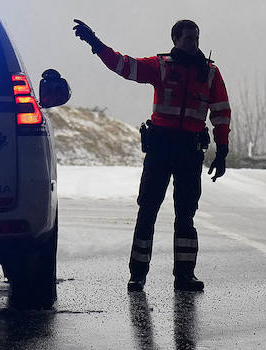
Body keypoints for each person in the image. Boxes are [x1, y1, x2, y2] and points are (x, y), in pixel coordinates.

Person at [72, 17, 230, 292]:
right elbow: (123, 65)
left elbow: (221, 112)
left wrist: (223, 149)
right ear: (175, 40)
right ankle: (138, 275)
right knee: (148, 210)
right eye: (188, 39)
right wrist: (95, 43)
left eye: (196, 38)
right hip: (161, 147)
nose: (193, 44)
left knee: (186, 214)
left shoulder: (211, 73)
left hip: (190, 149)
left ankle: (185, 276)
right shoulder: (161, 66)